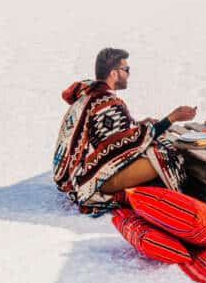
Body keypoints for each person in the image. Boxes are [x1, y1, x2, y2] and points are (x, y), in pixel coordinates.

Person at [53, 47, 197, 214]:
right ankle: (179, 203)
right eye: (126, 70)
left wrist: (139, 124)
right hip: (92, 182)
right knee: (166, 156)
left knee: (156, 148)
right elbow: (128, 141)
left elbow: (114, 135)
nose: (128, 74)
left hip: (78, 176)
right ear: (114, 73)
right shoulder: (107, 102)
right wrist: (172, 118)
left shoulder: (91, 95)